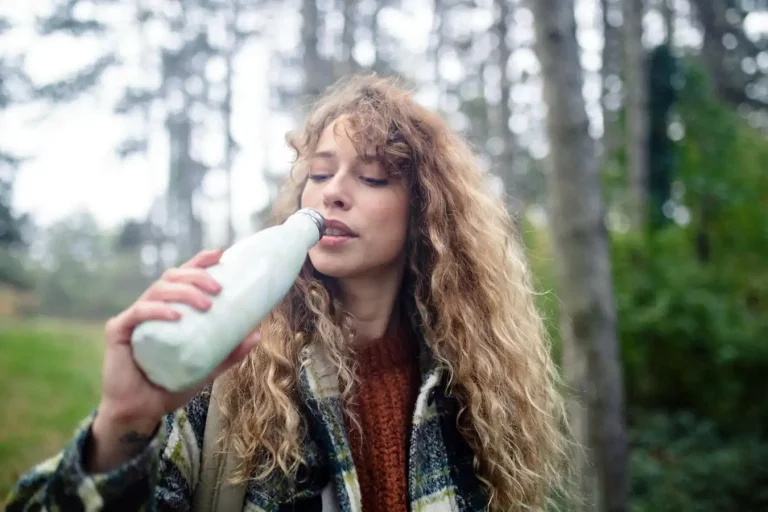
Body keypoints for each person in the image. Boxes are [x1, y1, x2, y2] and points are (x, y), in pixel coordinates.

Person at [5, 75, 571, 512]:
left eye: (372, 177)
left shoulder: (471, 388)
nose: (334, 194)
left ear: (427, 209)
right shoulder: (236, 360)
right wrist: (121, 426)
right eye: (320, 174)